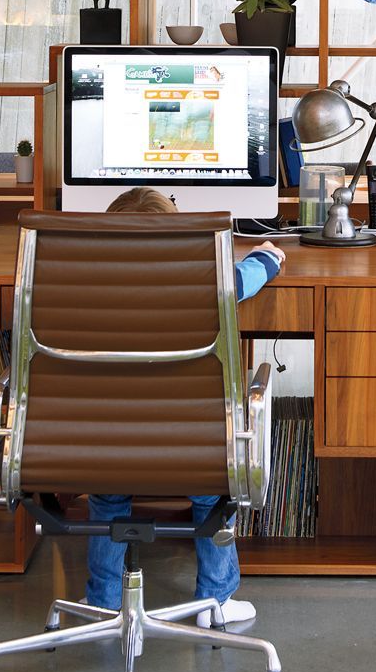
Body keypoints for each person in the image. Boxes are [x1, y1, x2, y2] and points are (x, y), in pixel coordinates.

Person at [84, 187, 284, 627]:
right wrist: (269, 257)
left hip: (105, 445)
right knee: (213, 495)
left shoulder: (87, 288)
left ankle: (102, 602)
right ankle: (215, 600)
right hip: (192, 447)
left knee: (107, 500)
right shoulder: (205, 283)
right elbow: (247, 276)